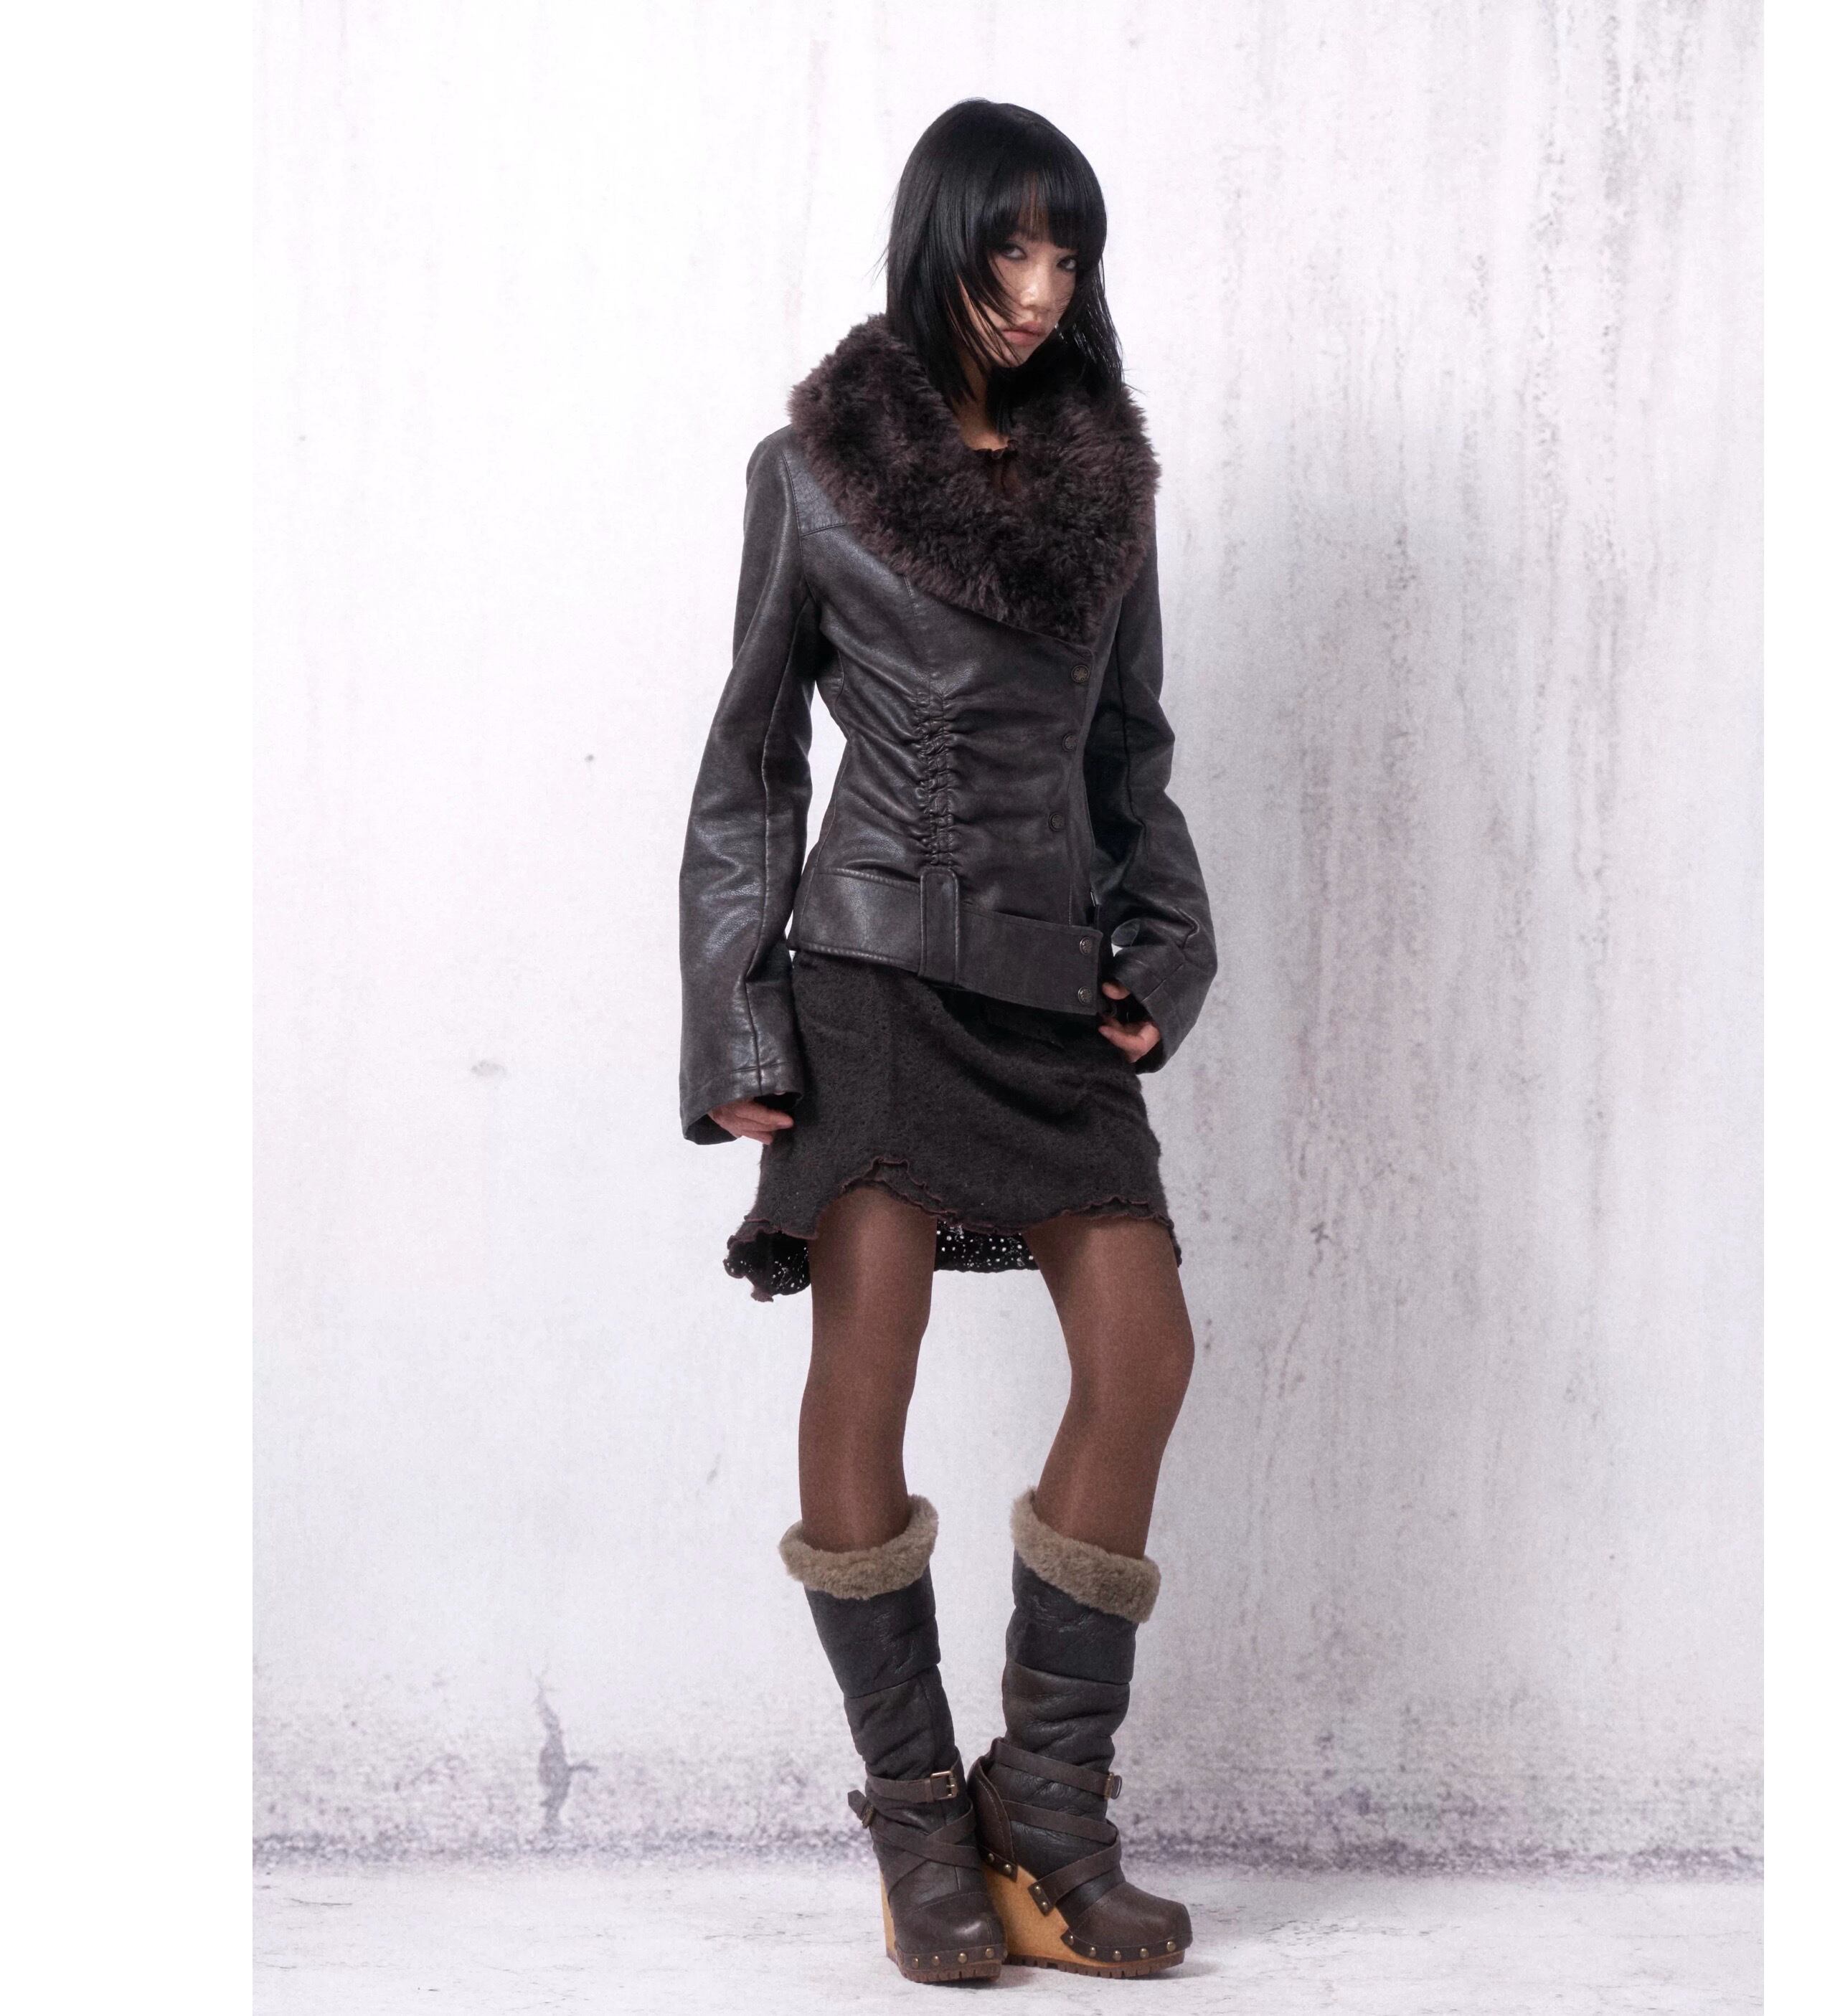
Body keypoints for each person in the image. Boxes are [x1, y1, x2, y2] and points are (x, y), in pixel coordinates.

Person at [678, 98, 1217, 1984]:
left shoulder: (1104, 484)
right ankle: (920, 1825)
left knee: (1142, 1352)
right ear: (940, 243)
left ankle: (1045, 1813)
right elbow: (749, 763)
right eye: (1009, 250)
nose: (1039, 289)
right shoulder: (813, 472)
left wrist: (1168, 944)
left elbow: (1129, 756)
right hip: (873, 976)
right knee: (871, 1359)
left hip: (1049, 986)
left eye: (1068, 256)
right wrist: (733, 1015)